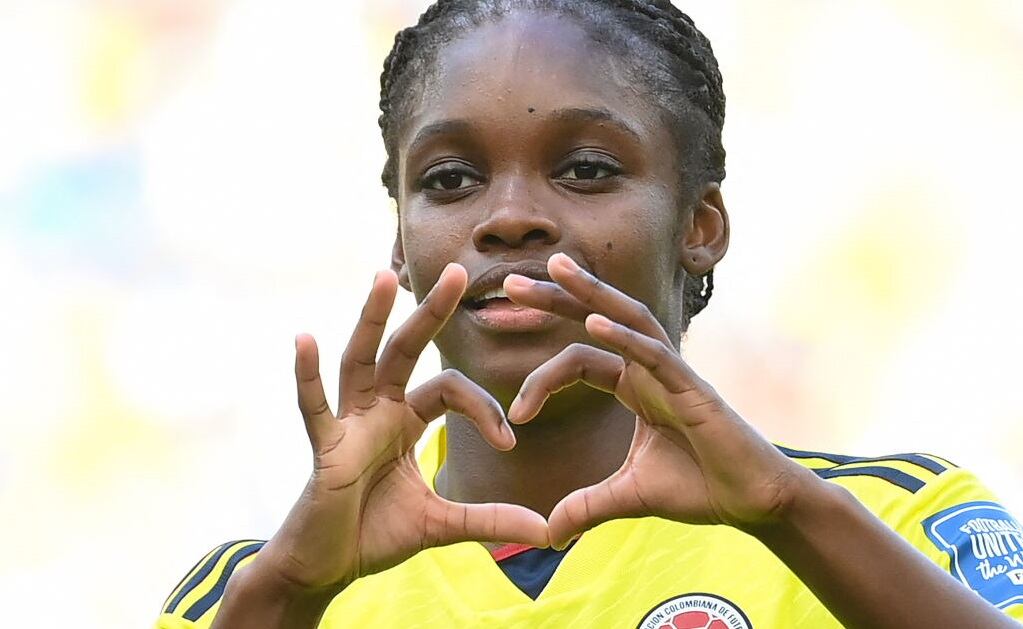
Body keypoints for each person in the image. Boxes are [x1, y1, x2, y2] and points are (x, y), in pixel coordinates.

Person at [154, 1, 1023, 627]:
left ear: (698, 225)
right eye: (450, 179)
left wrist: (786, 511)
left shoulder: (896, 522)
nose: (509, 217)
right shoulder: (250, 593)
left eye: (585, 168)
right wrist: (292, 595)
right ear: (400, 243)